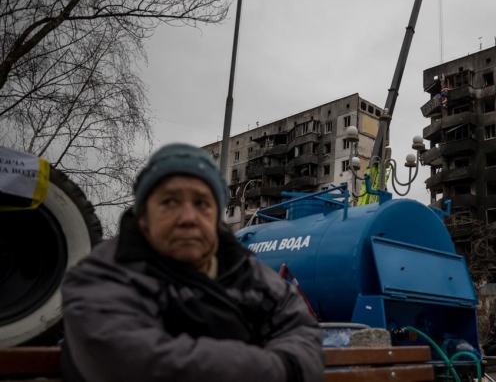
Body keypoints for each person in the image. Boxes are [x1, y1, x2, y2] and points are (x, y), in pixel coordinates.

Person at [60, 144, 324, 381]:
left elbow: (303, 334)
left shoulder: (245, 271)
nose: (188, 217)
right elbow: (137, 362)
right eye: (169, 202)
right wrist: (280, 370)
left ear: (216, 216)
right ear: (143, 216)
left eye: (202, 203)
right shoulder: (101, 276)